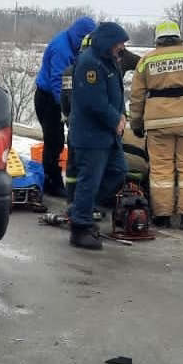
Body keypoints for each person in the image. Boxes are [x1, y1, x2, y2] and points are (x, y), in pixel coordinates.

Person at [127, 19, 183, 230]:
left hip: (158, 120)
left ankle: (162, 215)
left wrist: (137, 123)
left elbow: (137, 96)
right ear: (180, 37)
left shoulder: (147, 61)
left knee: (161, 169)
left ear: (157, 39)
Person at [66, 21, 130, 250]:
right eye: (120, 43)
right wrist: (115, 119)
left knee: (118, 171)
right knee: (89, 182)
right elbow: (94, 101)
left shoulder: (109, 61)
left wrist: (122, 116)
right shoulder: (89, 63)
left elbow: (116, 94)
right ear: (108, 42)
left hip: (108, 135)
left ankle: (79, 209)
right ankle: (80, 227)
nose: (122, 47)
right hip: (91, 136)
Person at [33, 16, 96, 199]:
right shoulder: (62, 48)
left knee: (58, 141)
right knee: (54, 141)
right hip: (49, 99)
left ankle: (54, 179)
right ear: (81, 36)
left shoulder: (75, 45)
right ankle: (51, 182)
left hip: (63, 96)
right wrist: (66, 110)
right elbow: (58, 82)